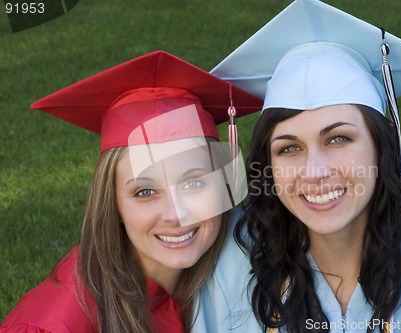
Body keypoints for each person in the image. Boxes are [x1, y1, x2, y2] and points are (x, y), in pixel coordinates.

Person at [193, 1, 401, 332]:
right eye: (290, 148)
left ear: (383, 144)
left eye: (338, 139)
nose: (314, 171)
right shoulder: (232, 265)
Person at [0, 50, 262, 333]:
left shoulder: (237, 260)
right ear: (113, 205)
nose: (176, 214)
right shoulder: (59, 322)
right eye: (145, 192)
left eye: (194, 183)